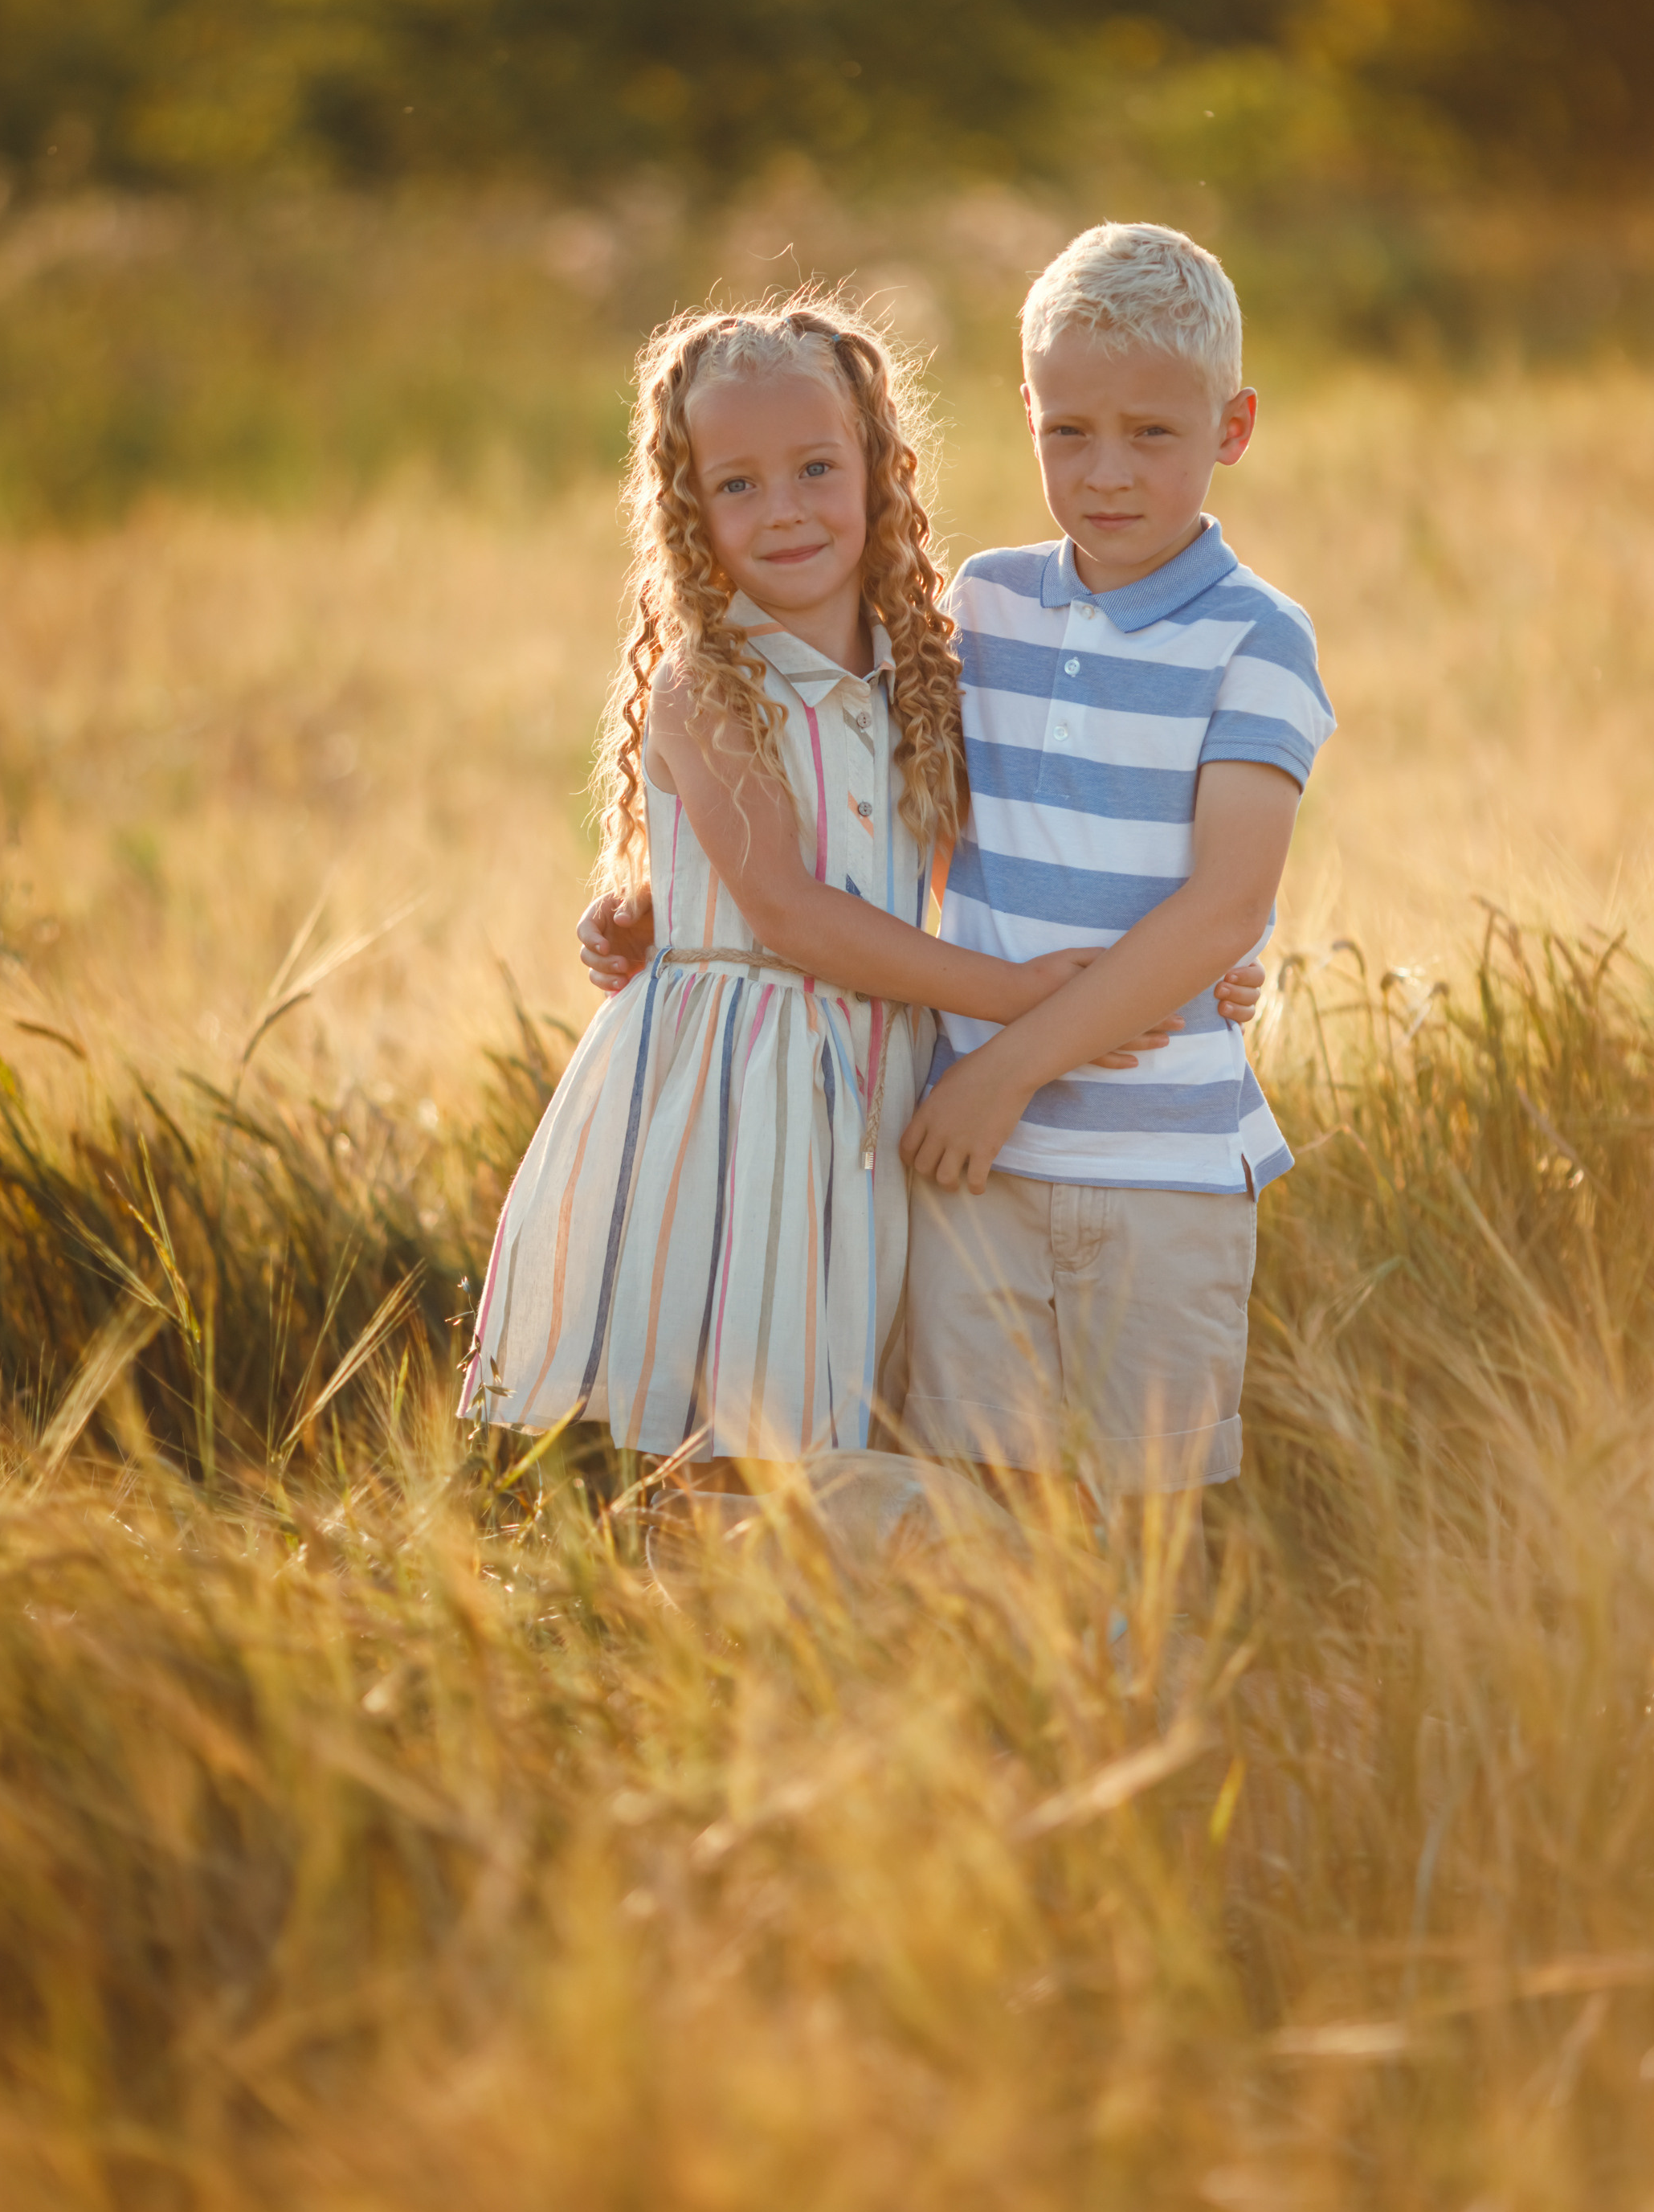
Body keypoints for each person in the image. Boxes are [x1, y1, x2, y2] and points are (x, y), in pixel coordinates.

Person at [460, 292, 1233, 1470]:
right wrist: (1025, 997)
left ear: (877, 470)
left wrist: (1199, 959)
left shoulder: (919, 671)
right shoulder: (706, 685)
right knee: (729, 1403)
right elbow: (786, 910)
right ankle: (680, 1592)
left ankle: (811, 1616)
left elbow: (1048, 834)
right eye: (736, 485)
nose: (784, 512)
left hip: (875, 1082)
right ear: (685, 509)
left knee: (844, 1399)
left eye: (816, 468)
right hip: (742, 1084)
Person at [896, 220, 1334, 1523]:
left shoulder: (1257, 637)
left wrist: (1002, 1073)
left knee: (1142, 1533)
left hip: (1158, 1167)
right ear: (1022, 411)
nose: (1105, 473)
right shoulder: (981, 603)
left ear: (1232, 427)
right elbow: (864, 805)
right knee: (981, 1520)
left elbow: (1223, 904)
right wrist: (674, 901)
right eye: (1067, 431)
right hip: (972, 1163)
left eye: (1153, 433)